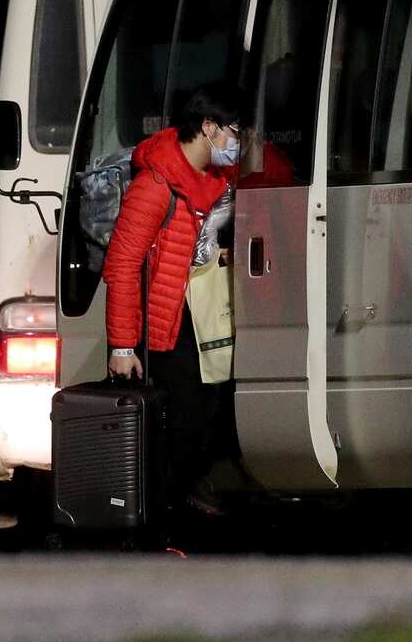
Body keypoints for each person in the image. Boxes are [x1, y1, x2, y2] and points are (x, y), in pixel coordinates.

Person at [103, 82, 242, 519]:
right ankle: (166, 518)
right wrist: (123, 346)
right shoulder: (156, 184)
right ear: (208, 127)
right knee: (181, 421)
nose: (238, 143)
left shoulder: (218, 179)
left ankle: (188, 501)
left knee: (212, 412)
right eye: (234, 132)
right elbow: (122, 264)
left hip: (206, 316)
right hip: (168, 324)